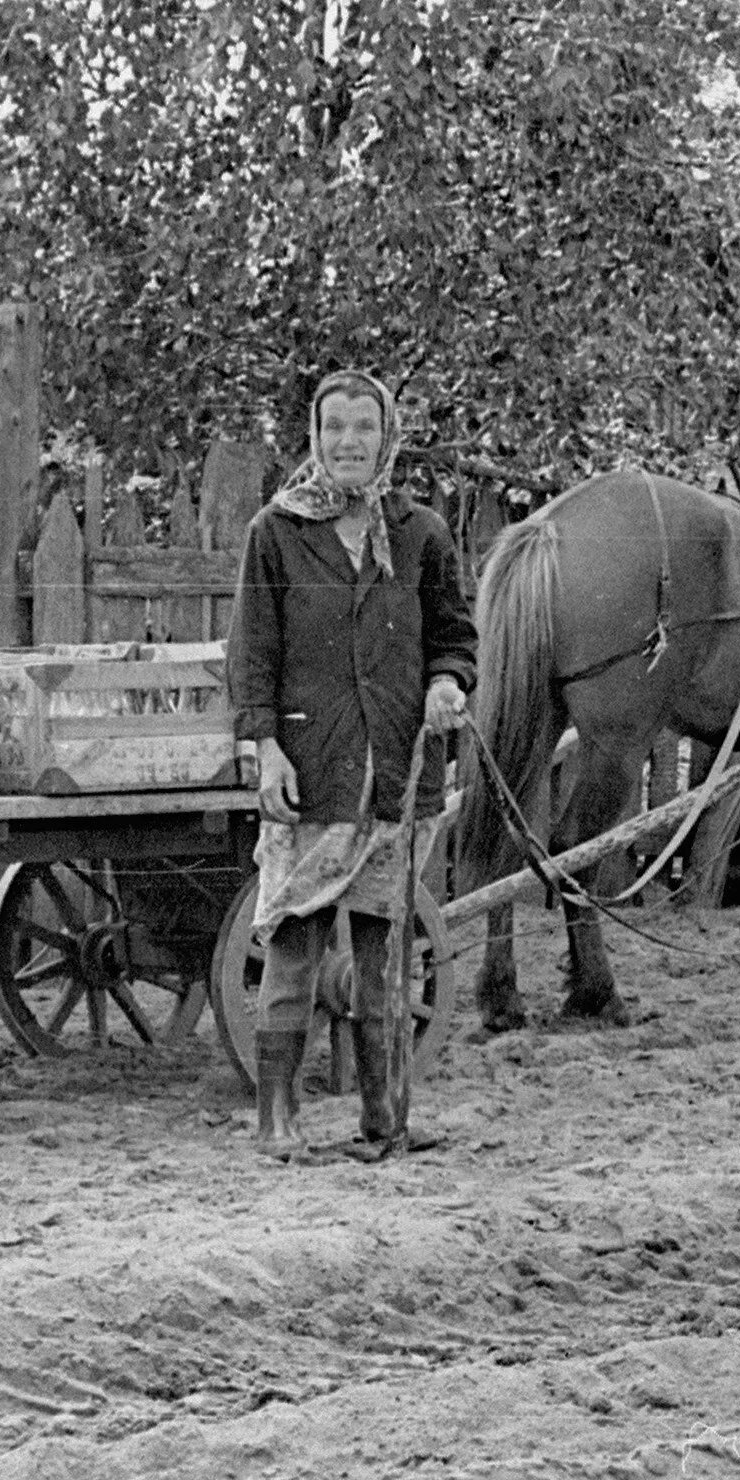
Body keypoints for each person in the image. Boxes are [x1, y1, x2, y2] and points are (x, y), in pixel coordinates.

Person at [228, 371, 477, 1162]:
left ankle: (385, 1121)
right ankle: (277, 1123)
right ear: (314, 436)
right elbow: (252, 654)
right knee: (295, 944)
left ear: (386, 435)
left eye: (362, 426)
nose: (347, 441)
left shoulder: (421, 534)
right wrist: (264, 746)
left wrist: (445, 680)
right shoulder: (275, 532)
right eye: (333, 426)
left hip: (398, 768)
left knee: (384, 953)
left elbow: (453, 635)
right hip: (312, 766)